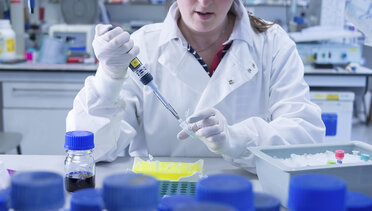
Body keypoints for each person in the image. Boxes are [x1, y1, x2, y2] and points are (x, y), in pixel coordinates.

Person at [66, 0, 325, 173]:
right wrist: (109, 76)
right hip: (159, 194)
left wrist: (239, 139)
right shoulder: (142, 46)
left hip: (247, 194)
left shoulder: (273, 45)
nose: (204, 2)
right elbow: (91, 151)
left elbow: (304, 138)